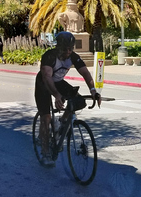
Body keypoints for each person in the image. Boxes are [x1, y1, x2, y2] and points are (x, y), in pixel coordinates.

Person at [35, 31, 101, 167]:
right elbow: (47, 77)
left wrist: (93, 91)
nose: (68, 51)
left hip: (58, 81)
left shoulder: (73, 57)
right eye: (65, 49)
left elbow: (85, 73)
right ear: (58, 47)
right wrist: (57, 95)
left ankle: (63, 121)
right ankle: (45, 151)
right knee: (46, 117)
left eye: (71, 48)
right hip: (43, 83)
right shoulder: (49, 56)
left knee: (78, 101)